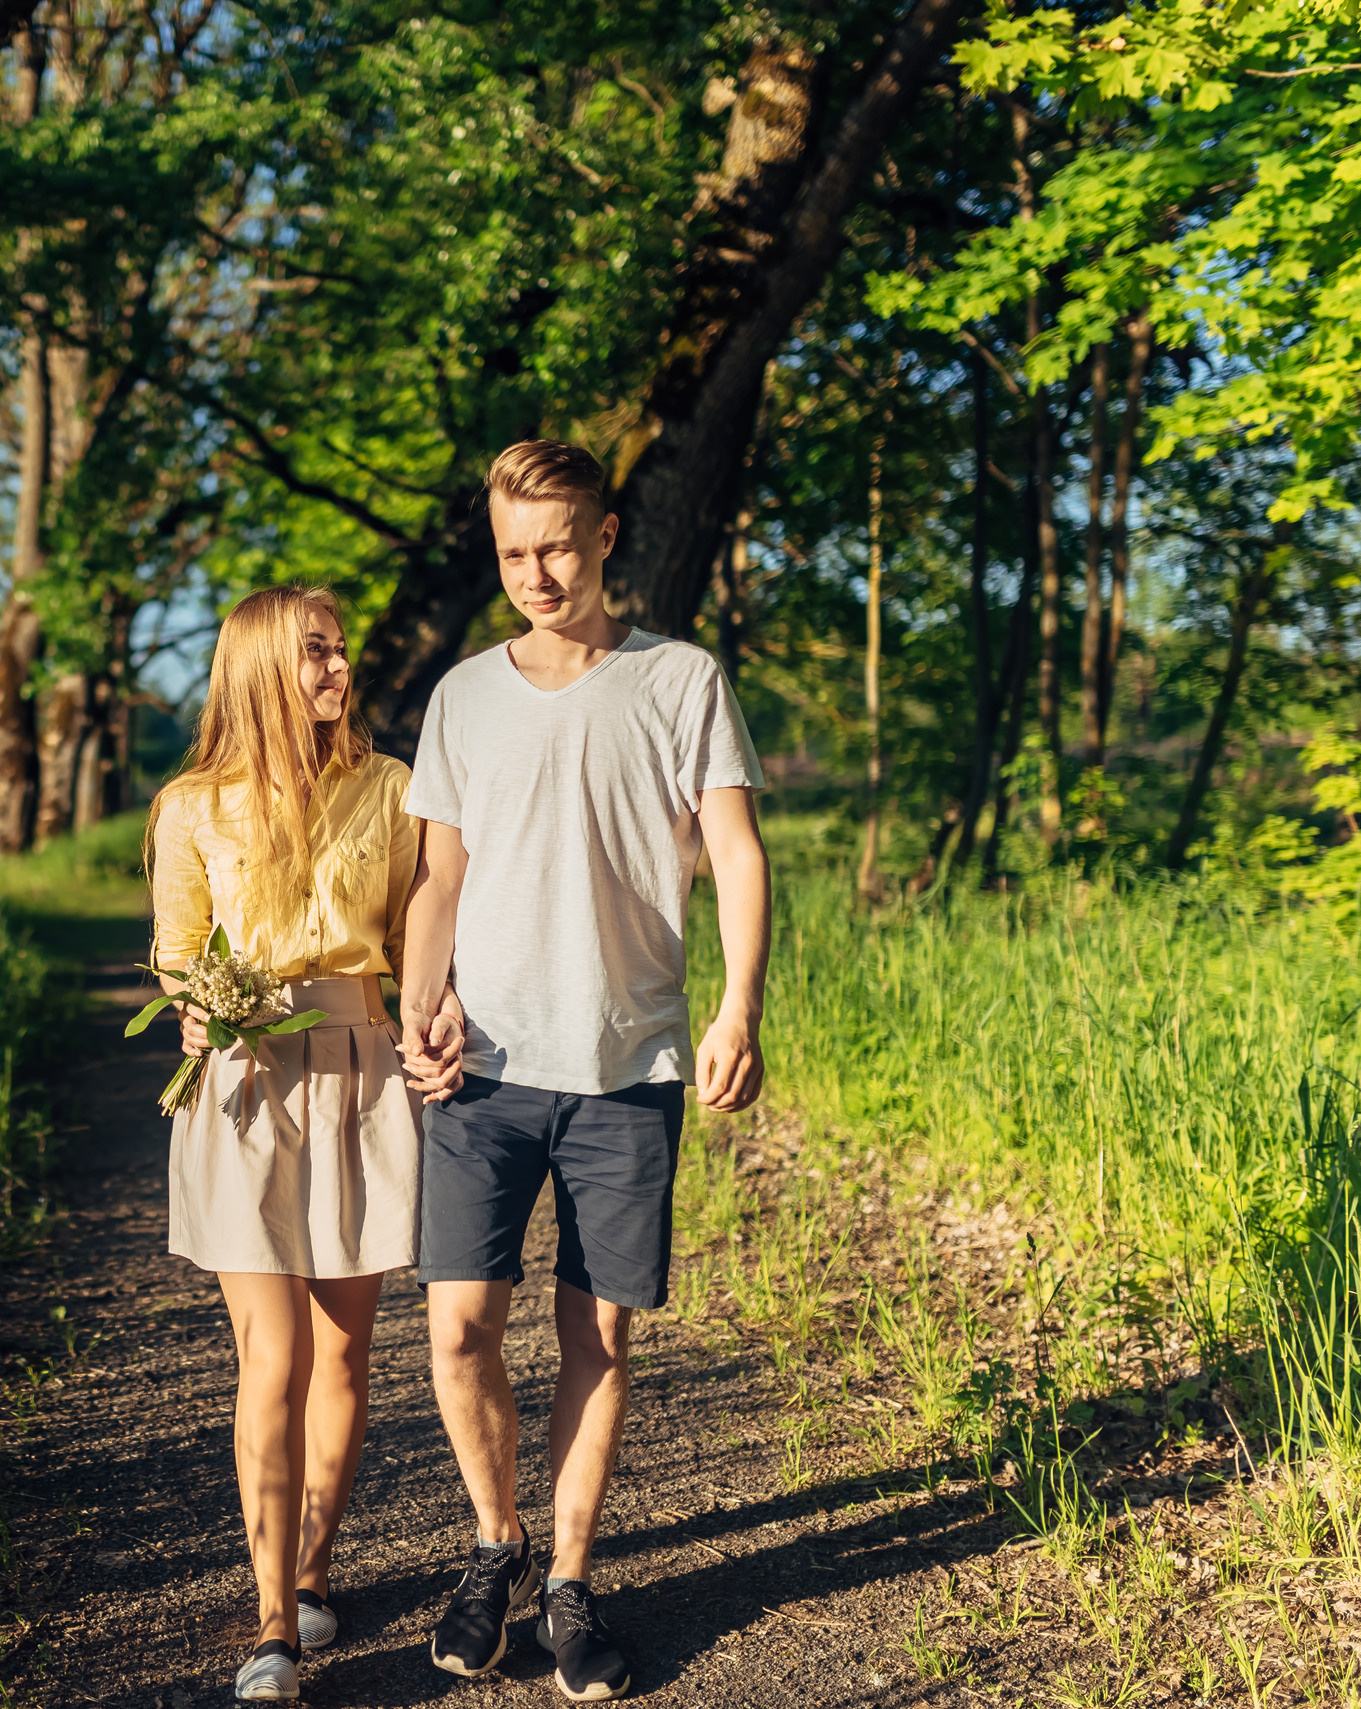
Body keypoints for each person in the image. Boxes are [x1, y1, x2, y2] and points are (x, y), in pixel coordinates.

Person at [394, 441, 772, 1703]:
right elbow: (438, 872)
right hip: (482, 1068)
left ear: (605, 536)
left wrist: (738, 1006)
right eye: (512, 552)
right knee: (458, 1331)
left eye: (556, 545)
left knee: (595, 1331)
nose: (535, 573)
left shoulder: (678, 679)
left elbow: (736, 845)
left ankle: (566, 1579)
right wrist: (417, 1004)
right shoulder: (461, 695)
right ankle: (492, 1544)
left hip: (627, 1062)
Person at [148, 584, 462, 1703]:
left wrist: (435, 1014)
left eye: (337, 650)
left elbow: (414, 936)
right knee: (270, 1356)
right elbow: (176, 945)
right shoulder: (191, 804)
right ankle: (272, 1618)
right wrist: (194, 998)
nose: (336, 668)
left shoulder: (393, 788)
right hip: (242, 1083)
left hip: (359, 1071)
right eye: (313, 653)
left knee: (341, 1349)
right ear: (256, 672)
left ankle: (317, 1564)